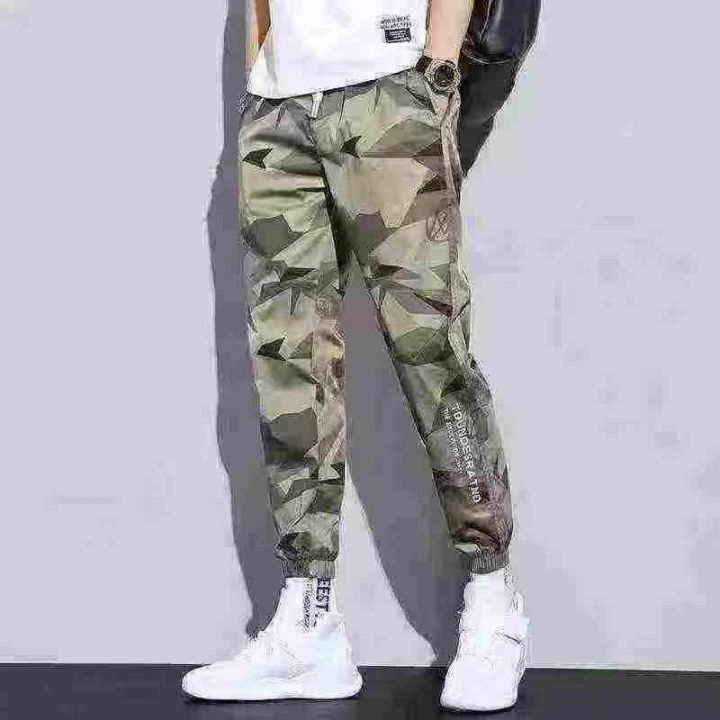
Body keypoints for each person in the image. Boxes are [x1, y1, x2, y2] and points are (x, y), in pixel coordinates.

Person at [182, 0, 530, 711]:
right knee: (290, 363)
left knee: (431, 352)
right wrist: (260, 76)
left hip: (389, 89)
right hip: (279, 110)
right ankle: (309, 624)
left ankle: (494, 600)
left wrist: (437, 69)